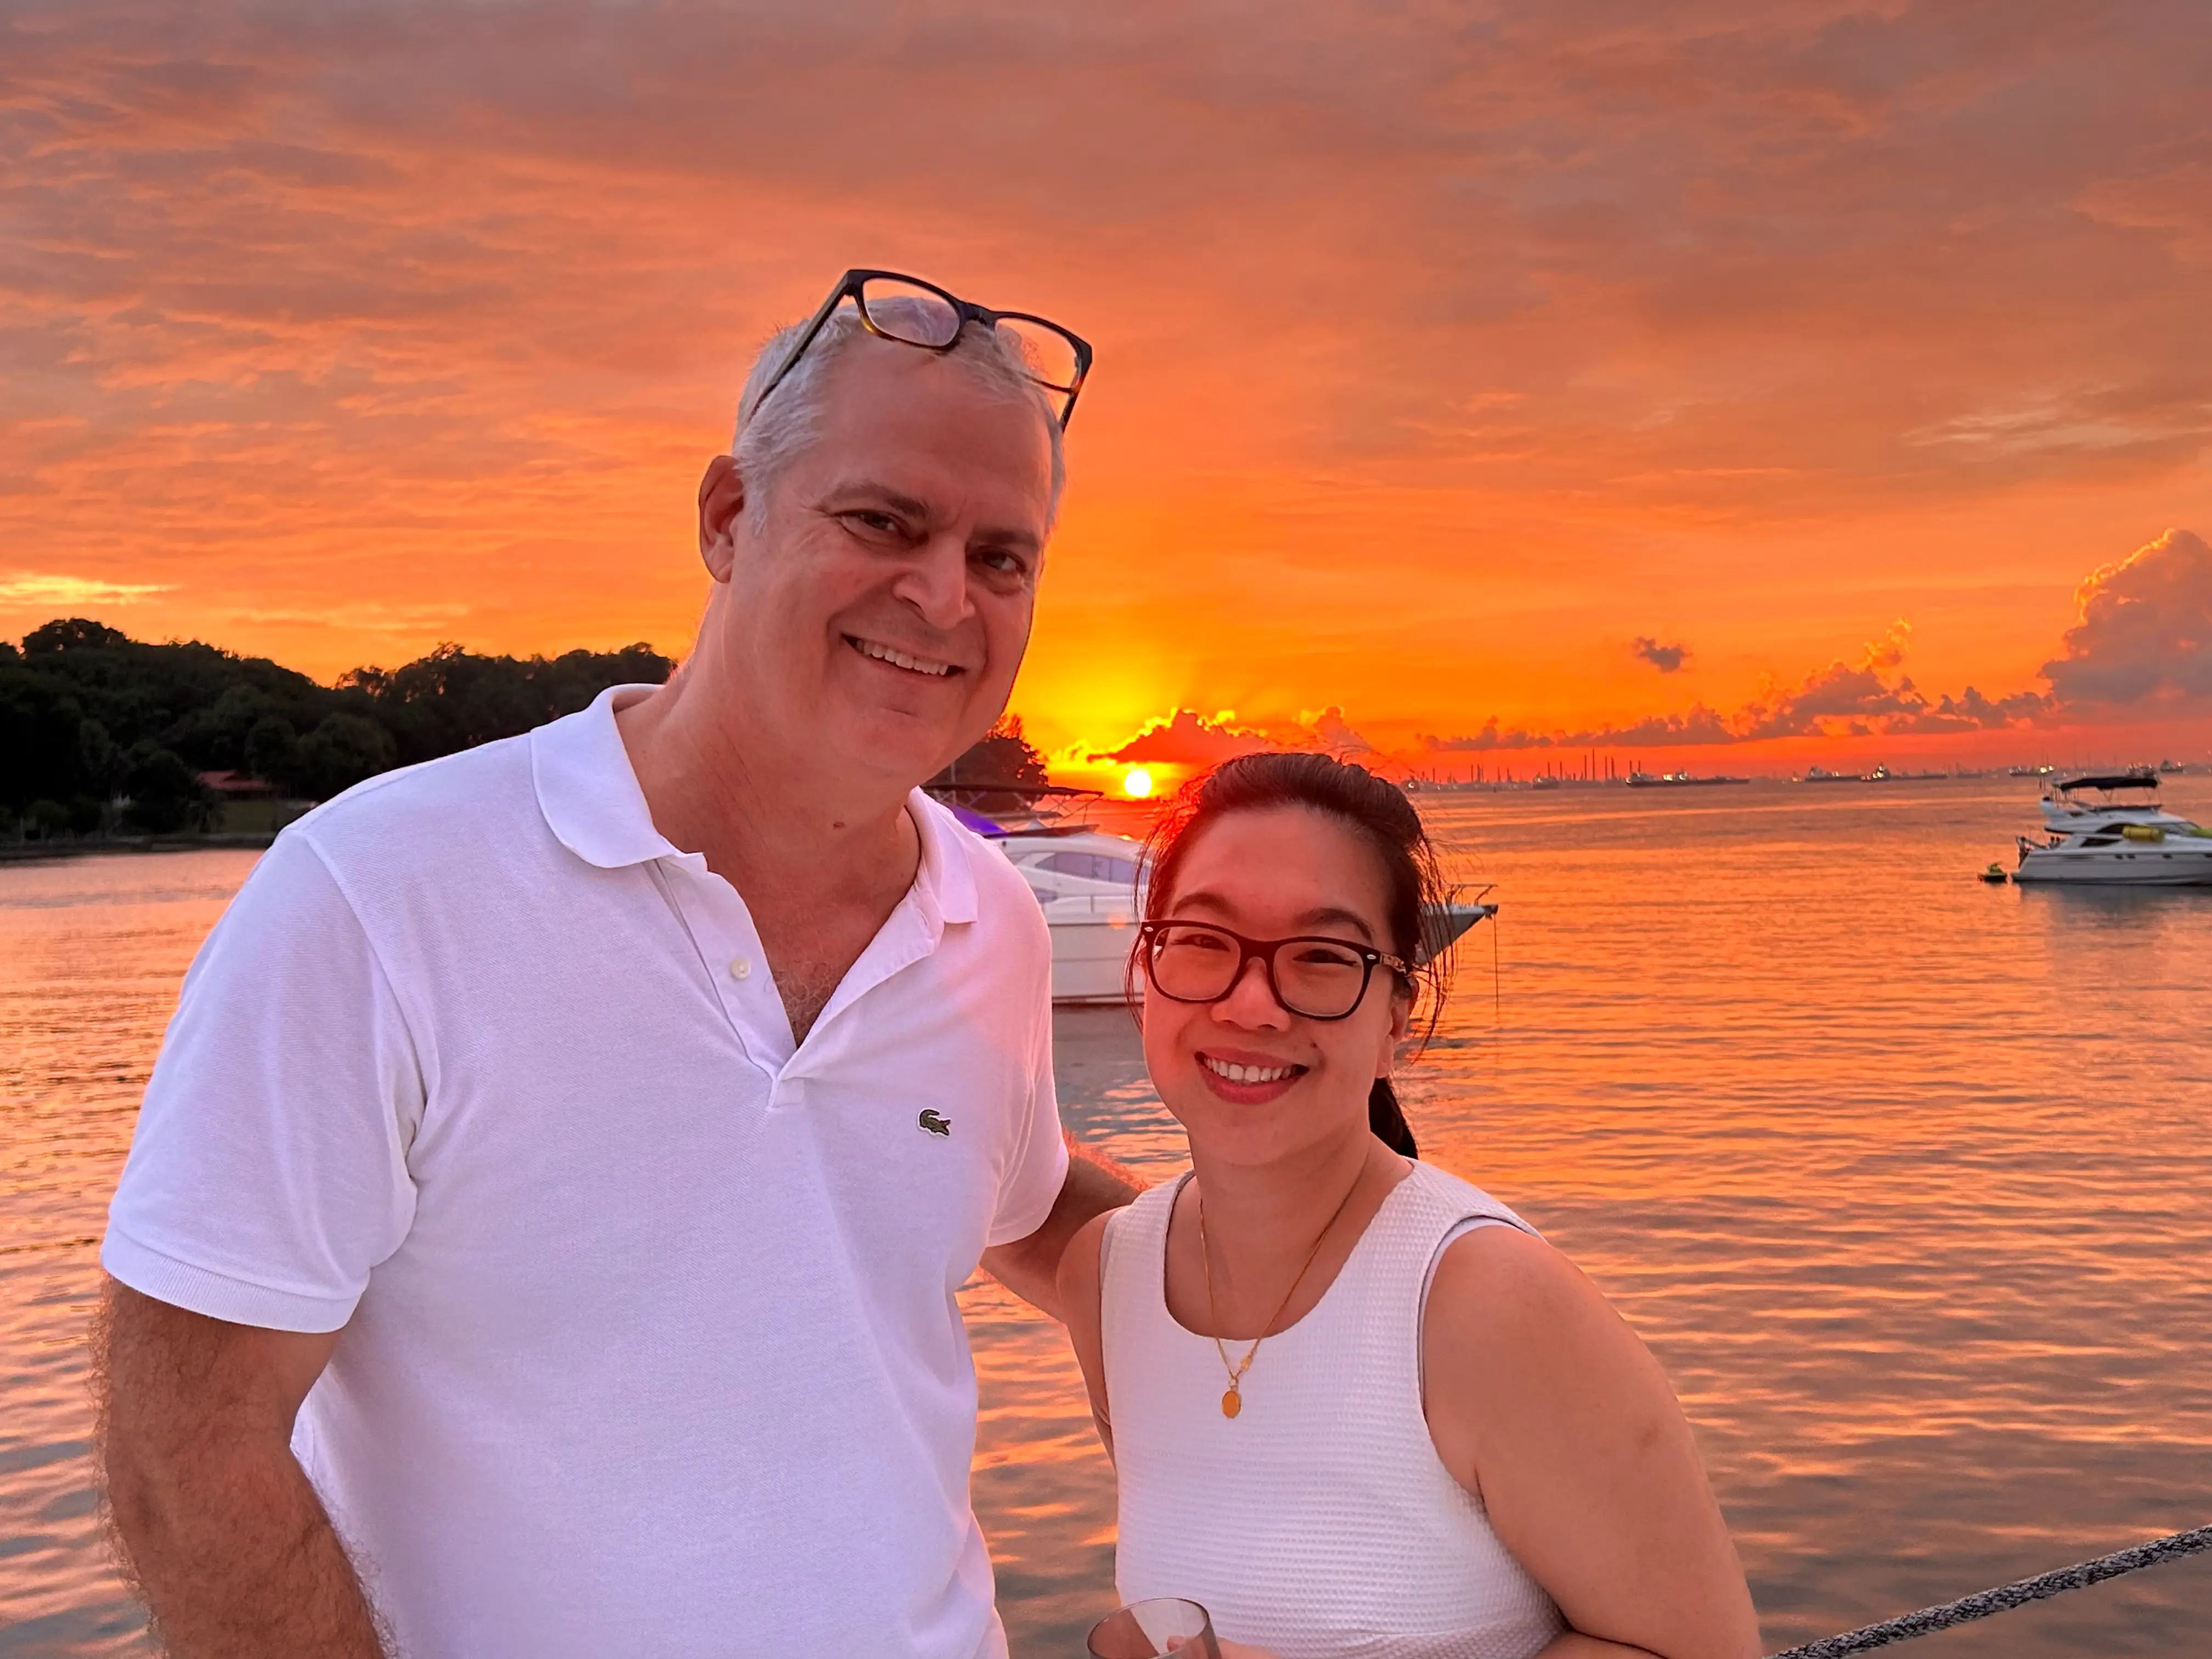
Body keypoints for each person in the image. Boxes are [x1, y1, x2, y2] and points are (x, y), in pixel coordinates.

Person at [93, 269, 1131, 1659]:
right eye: (884, 521)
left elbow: (1031, 1201)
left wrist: (1351, 1272)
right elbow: (183, 1448)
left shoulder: (991, 919)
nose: (943, 597)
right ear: (728, 517)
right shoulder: (379, 895)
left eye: (1003, 558)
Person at [1059, 753, 1762, 1659]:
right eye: (1202, 939)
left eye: (1322, 957)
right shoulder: (1108, 1278)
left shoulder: (1485, 1304)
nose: (1251, 1003)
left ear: (1396, 1016)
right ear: (1147, 968)